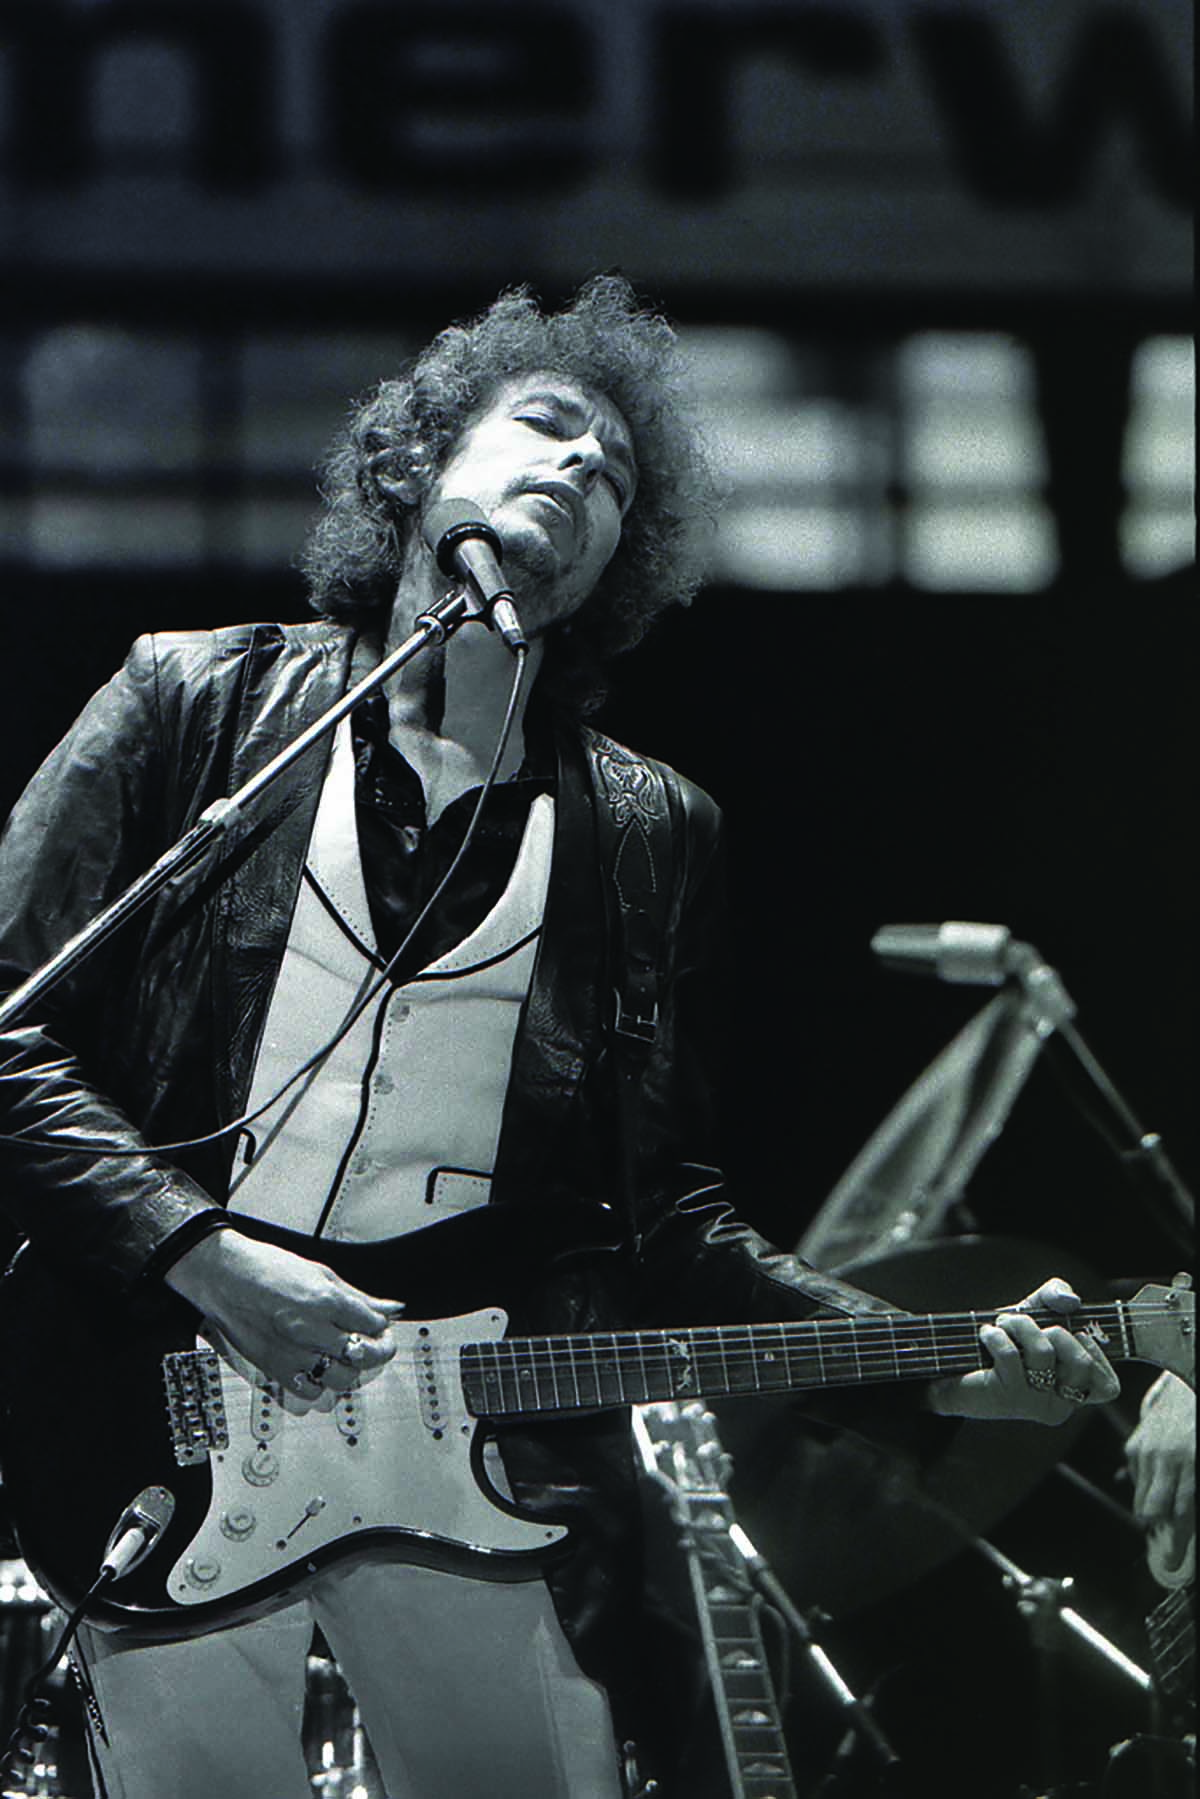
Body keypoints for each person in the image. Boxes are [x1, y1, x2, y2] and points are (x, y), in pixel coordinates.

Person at [0, 276, 1121, 1799]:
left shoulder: (651, 834)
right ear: (417, 469)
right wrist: (197, 1252)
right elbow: (10, 1035)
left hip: (457, 1449)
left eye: (614, 479)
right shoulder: (190, 702)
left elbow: (670, 1216)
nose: (582, 473)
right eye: (545, 428)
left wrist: (918, 1373)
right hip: (150, 1396)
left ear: (619, 567)